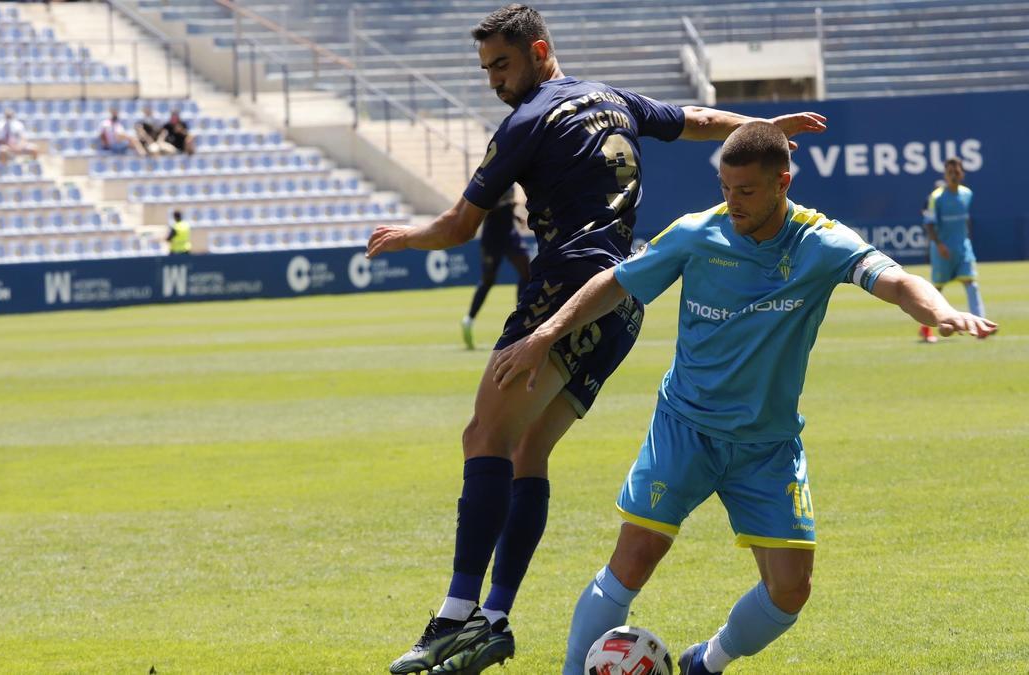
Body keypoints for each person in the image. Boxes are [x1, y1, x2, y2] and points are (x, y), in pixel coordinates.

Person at [364, 6, 827, 674]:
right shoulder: (611, 99)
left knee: (483, 437)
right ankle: (494, 620)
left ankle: (454, 616)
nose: (494, 81)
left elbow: (462, 225)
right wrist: (758, 129)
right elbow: (693, 121)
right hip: (620, 299)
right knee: (528, 449)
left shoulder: (526, 122)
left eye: (501, 64)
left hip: (565, 291)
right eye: (486, 69)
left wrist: (405, 236)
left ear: (538, 50)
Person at [489, 121, 997, 675]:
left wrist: (941, 311)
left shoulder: (821, 242)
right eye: (726, 188)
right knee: (634, 558)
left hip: (767, 445)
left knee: (790, 590)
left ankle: (706, 662)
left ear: (783, 182)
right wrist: (544, 335)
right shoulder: (695, 233)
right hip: (685, 428)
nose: (732, 202)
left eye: (746, 191)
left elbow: (897, 281)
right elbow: (615, 283)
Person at [919, 157, 985, 343]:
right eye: (949, 172)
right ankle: (925, 329)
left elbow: (966, 221)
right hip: (942, 250)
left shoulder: (967, 194)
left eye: (956, 172)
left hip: (962, 248)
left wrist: (966, 240)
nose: (953, 175)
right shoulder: (936, 197)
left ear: (962, 174)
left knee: (972, 285)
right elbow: (929, 224)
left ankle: (980, 326)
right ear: (945, 175)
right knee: (936, 290)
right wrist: (939, 245)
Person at [461, 186, 531, 350]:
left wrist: (514, 213)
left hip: (509, 234)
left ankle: (519, 321)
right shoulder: (494, 175)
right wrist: (506, 203)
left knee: (527, 272)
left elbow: (506, 206)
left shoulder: (512, 178)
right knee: (488, 280)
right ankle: (469, 319)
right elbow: (483, 206)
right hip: (492, 237)